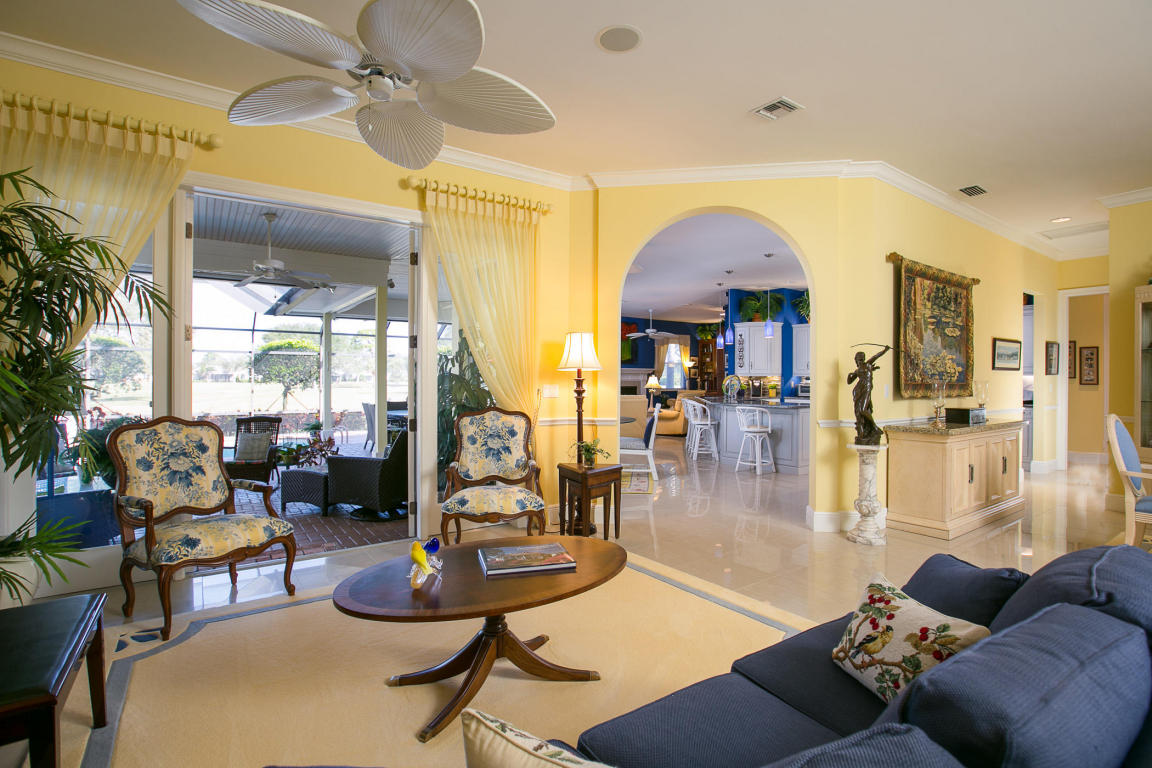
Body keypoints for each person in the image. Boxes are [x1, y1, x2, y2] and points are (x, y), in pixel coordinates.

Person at [847, 345, 891, 445]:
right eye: (858, 359)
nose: (860, 361)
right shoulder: (857, 370)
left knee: (863, 409)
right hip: (858, 391)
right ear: (856, 360)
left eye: (862, 359)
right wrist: (849, 375)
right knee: (859, 413)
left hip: (866, 389)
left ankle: (874, 427)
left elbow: (876, 356)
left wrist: (885, 350)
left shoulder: (867, 365)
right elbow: (849, 381)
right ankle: (862, 434)